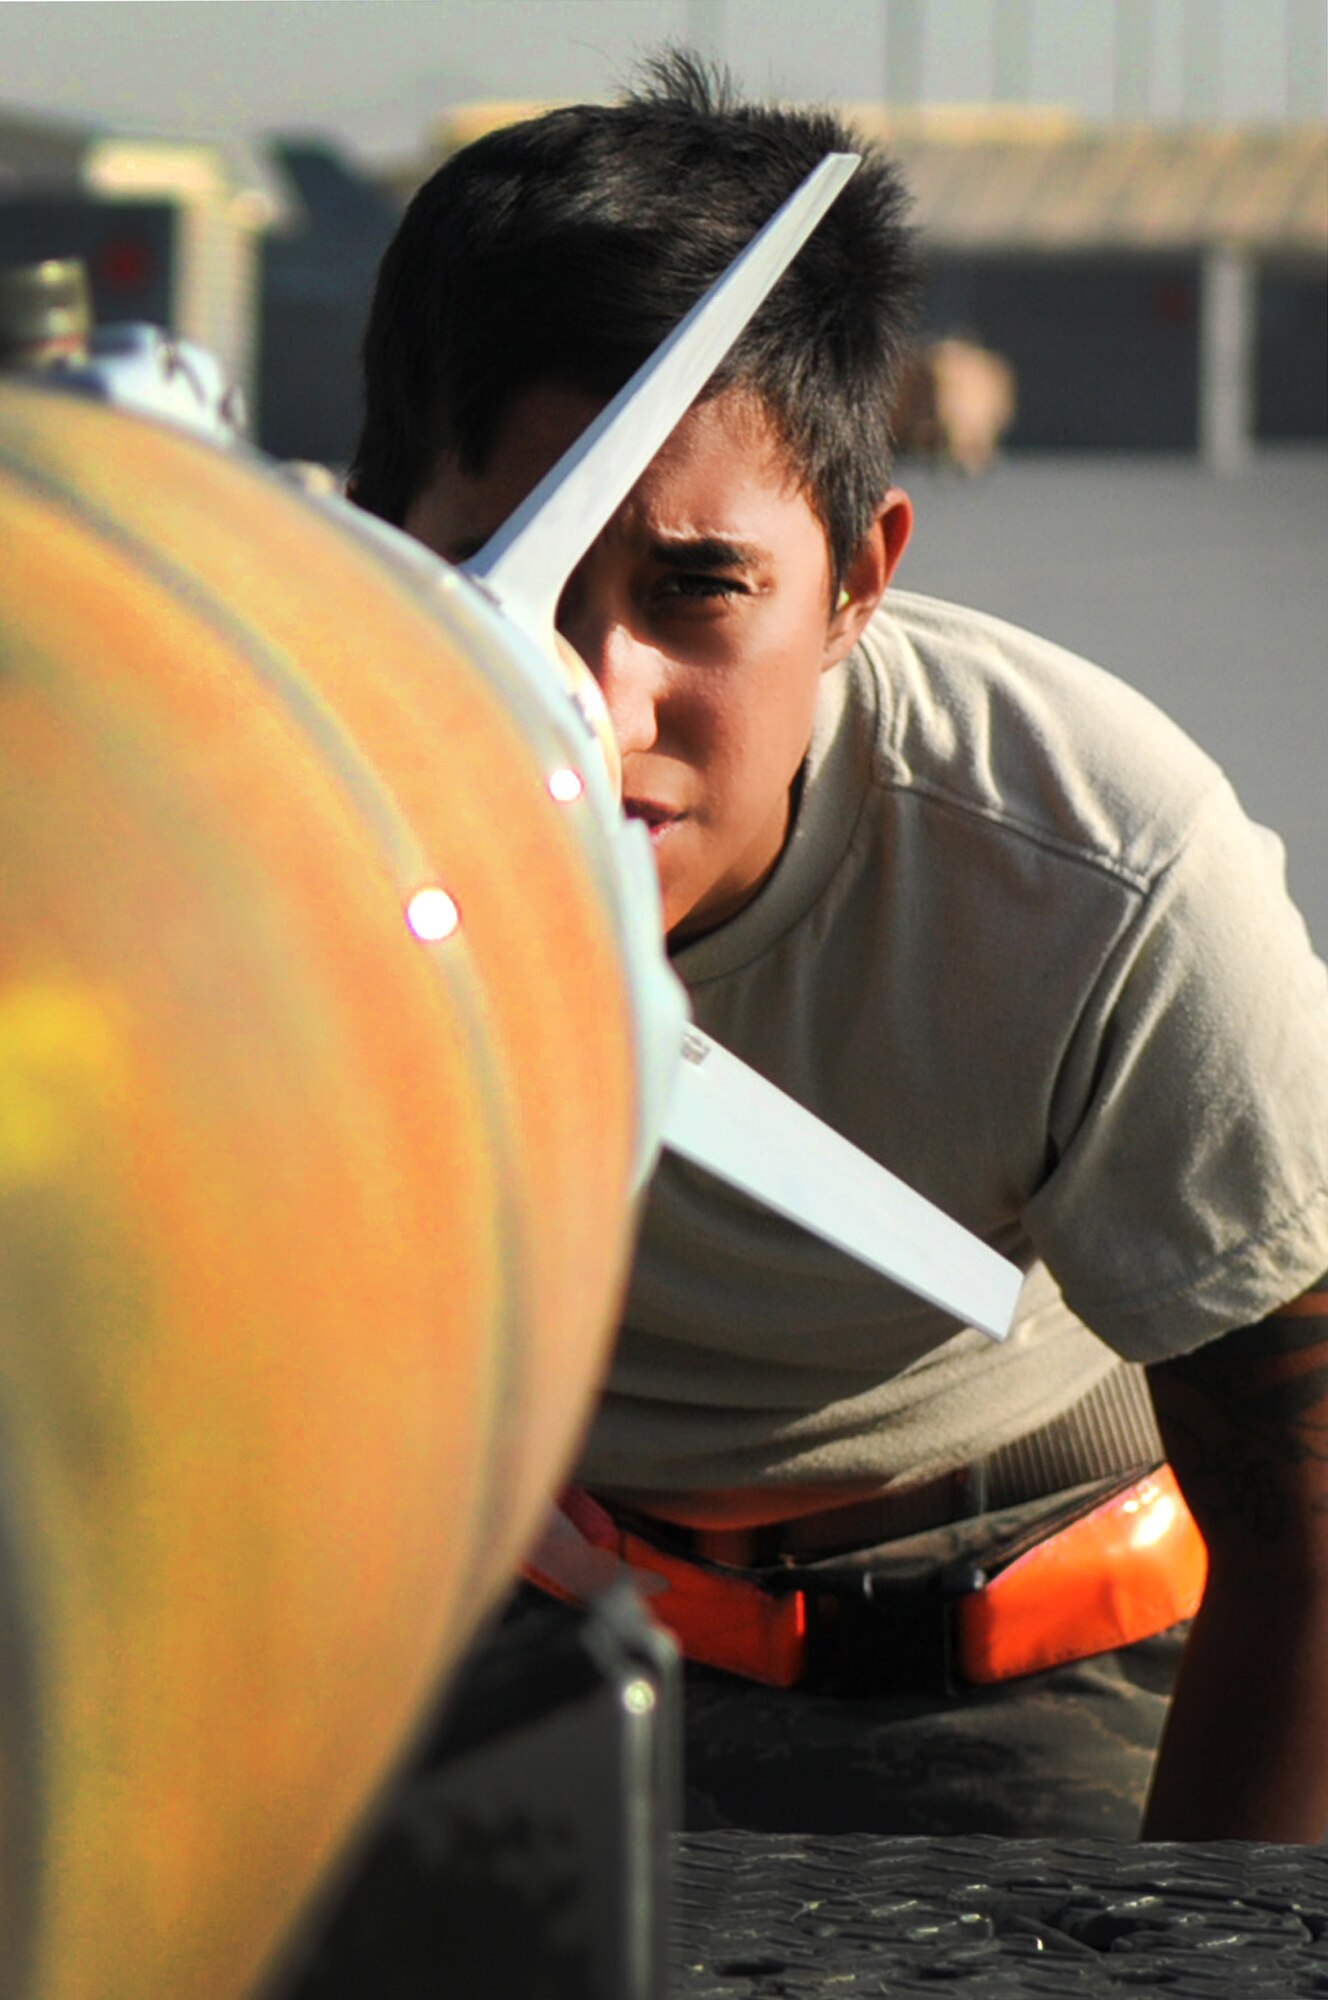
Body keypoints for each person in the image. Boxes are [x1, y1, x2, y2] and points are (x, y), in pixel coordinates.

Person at [348, 53, 1328, 1843]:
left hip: (1044, 1675)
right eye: (498, 578)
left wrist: (1220, 1951)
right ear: (370, 558)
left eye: (694, 590)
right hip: (496, 1629)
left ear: (861, 581)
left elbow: (1315, 1546)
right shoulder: (262, 822)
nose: (593, 704)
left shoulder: (1098, 875)